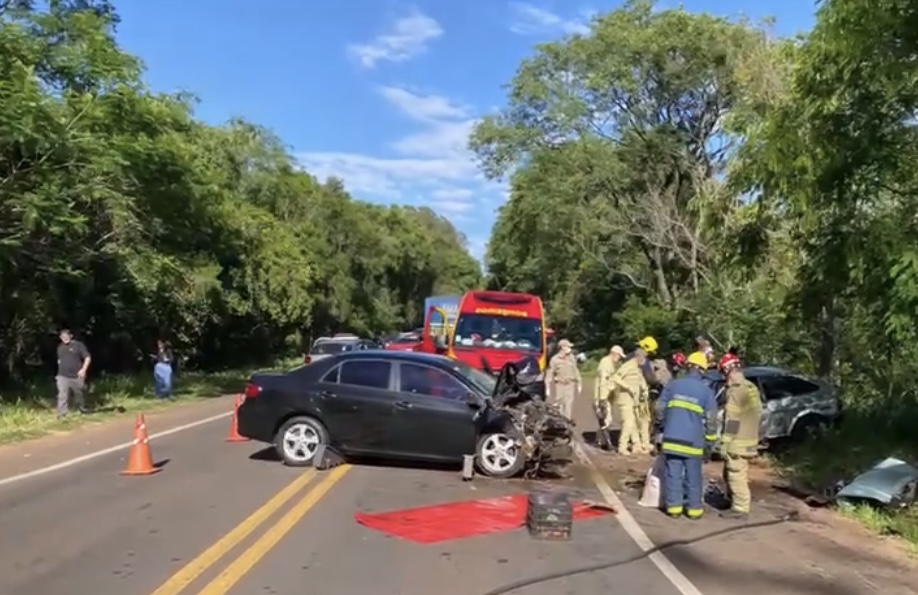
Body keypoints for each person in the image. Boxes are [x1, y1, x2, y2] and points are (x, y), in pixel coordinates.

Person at [656, 351, 718, 520]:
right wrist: (710, 443)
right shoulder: (706, 392)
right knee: (693, 477)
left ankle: (674, 509)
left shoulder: (673, 385)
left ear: (687, 367)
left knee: (673, 475)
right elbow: (712, 420)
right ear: (703, 371)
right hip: (694, 442)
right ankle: (694, 511)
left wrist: (662, 426)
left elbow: (659, 409)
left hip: (671, 438)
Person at [718, 353, 763, 520]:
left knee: (736, 473)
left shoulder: (736, 391)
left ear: (728, 370)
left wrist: (725, 441)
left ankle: (740, 507)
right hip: (751, 438)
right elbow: (759, 412)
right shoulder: (751, 387)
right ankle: (731, 499)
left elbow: (732, 419)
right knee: (730, 472)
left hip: (738, 440)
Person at [610, 348, 651, 455]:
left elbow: (640, 380)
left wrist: (644, 389)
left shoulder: (637, 368)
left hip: (635, 400)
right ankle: (622, 447)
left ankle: (636, 446)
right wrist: (628, 387)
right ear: (639, 357)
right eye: (643, 358)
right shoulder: (628, 366)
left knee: (634, 423)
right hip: (625, 399)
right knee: (628, 423)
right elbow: (615, 377)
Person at [56, 328, 91, 419]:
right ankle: (62, 414)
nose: (65, 338)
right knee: (62, 394)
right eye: (63, 337)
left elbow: (87, 358)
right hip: (62, 376)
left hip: (77, 376)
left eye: (67, 336)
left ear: (71, 336)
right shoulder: (60, 348)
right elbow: (59, 360)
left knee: (79, 394)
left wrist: (83, 370)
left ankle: (82, 408)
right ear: (60, 338)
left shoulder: (78, 345)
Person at [545, 338, 581, 419]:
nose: (570, 349)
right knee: (559, 404)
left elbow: (576, 370)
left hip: (570, 384)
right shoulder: (554, 359)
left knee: (569, 404)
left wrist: (579, 383)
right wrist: (547, 387)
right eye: (568, 347)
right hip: (560, 385)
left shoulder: (571, 357)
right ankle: (561, 423)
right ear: (562, 347)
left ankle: (567, 421)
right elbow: (550, 373)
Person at [594, 345, 624, 425]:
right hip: (604, 396)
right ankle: (603, 436)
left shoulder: (610, 363)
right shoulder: (605, 363)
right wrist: (602, 399)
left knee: (607, 419)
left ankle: (605, 435)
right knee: (606, 420)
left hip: (608, 396)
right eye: (619, 356)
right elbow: (603, 381)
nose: (619, 358)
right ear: (614, 354)